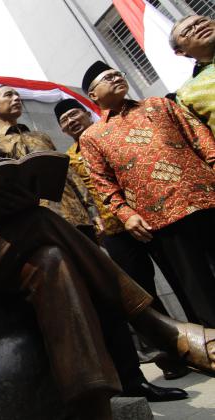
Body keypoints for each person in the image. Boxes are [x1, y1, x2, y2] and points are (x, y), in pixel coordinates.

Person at [0, 99, 215, 419]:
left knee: (52, 259)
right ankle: (154, 324)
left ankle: (92, 399)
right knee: (40, 219)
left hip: (2, 260)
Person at [55, 98, 190, 379]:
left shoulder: (114, 133)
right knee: (142, 294)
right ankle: (172, 355)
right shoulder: (69, 159)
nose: (71, 121)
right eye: (64, 120)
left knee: (181, 276)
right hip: (114, 232)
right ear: (62, 129)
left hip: (148, 216)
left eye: (74, 114)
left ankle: (203, 337)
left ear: (87, 113)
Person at [79, 60, 215, 329]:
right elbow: (102, 182)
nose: (116, 78)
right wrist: (126, 214)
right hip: (162, 217)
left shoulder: (159, 104)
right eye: (107, 78)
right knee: (197, 285)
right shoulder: (92, 137)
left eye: (117, 73)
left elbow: (198, 135)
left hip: (205, 195)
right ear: (93, 95)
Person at [0, 85, 100, 241]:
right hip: (41, 225)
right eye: (9, 95)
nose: (17, 98)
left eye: (17, 94)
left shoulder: (41, 137)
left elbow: (68, 174)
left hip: (79, 217)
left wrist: (93, 212)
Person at [170, 14, 215, 134]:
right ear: (180, 52)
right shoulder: (185, 94)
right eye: (187, 31)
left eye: (202, 21)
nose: (200, 27)